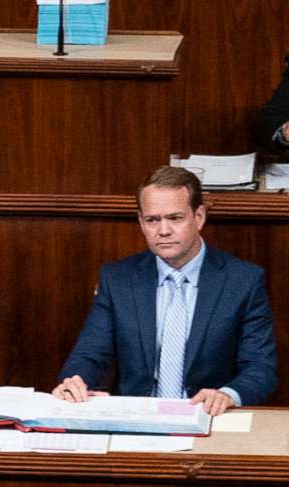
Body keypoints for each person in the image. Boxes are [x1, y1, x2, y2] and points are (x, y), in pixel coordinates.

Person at [54, 165, 276, 412]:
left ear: (199, 217)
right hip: (136, 422)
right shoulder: (118, 278)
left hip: (209, 418)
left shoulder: (243, 280)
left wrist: (228, 394)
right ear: (141, 221)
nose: (163, 231)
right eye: (152, 220)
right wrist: (75, 381)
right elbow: (90, 354)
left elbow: (260, 367)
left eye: (175, 218)